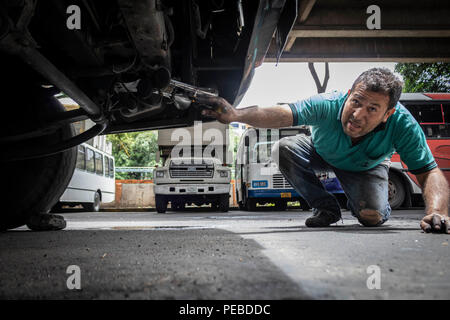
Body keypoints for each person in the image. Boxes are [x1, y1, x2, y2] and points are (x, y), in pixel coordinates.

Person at [198, 68, 449, 233]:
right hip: (319, 151)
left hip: (365, 167)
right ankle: (326, 207)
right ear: (349, 94)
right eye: (356, 102)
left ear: (388, 114)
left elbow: (429, 171)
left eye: (373, 109)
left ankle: (363, 201)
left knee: (371, 217)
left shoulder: (403, 125)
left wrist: (437, 212)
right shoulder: (327, 104)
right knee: (283, 147)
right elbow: (283, 113)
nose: (357, 115)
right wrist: (236, 114)